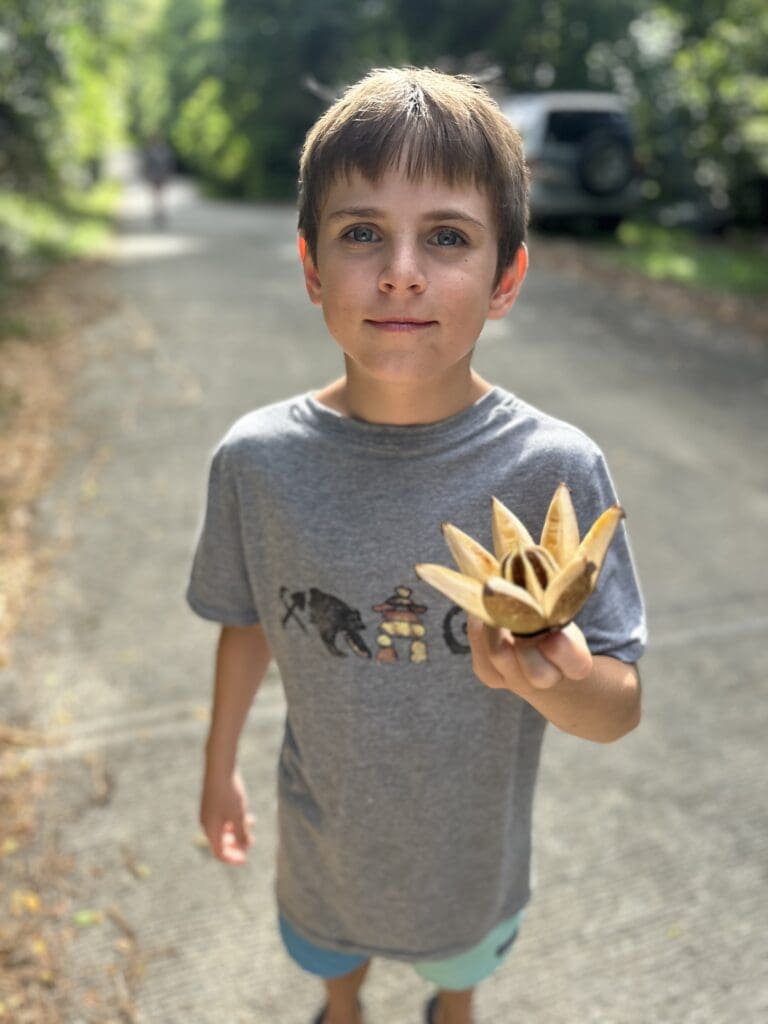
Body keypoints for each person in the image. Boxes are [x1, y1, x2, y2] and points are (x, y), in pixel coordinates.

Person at [187, 67, 646, 1024]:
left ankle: (455, 1007)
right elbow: (248, 620)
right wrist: (219, 761)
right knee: (325, 945)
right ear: (313, 268)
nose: (401, 270)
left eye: (446, 236)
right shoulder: (257, 462)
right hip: (325, 826)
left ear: (506, 276)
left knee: (462, 961)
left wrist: (550, 680)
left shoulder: (554, 471)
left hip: (468, 850)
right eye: (362, 234)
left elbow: (618, 709)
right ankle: (343, 1006)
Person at [141, 133, 174, 227]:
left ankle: (159, 213)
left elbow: (169, 163)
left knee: (158, 195)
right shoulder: (161, 150)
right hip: (157, 176)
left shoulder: (153, 150)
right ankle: (159, 213)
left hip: (158, 176)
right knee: (158, 195)